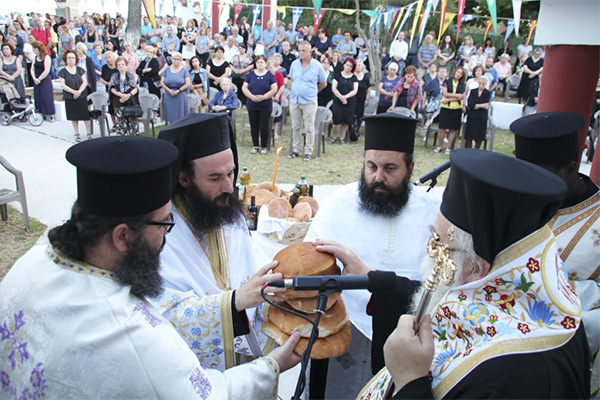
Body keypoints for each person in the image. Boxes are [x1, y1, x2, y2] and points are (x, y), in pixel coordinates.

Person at [0, 135, 300, 398]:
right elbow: (206, 395)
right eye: (165, 223)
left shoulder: (26, 266)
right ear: (122, 236)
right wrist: (273, 365)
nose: (167, 235)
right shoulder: (134, 335)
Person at [356, 148, 589, 399]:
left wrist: (409, 380)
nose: (430, 252)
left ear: (477, 268)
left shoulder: (507, 375)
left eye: (439, 243)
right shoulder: (550, 310)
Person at [304, 112, 440, 399]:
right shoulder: (338, 205)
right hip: (345, 328)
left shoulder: (431, 213)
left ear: (410, 168)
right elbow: (309, 264)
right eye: (371, 166)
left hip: (405, 336)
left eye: (390, 168)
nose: (378, 177)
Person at [152, 113, 290, 371]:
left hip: (246, 364)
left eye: (231, 173)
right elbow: (162, 315)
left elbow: (254, 266)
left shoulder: (228, 212)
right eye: (215, 178)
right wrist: (234, 302)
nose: (229, 187)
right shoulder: (159, 231)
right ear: (184, 178)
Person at [511, 112, 599, 397]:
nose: (528, 184)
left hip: (563, 361)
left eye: (538, 175)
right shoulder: (517, 201)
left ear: (571, 168)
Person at [287, 40, 327, 161]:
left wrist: (313, 92)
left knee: (309, 127)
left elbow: (323, 83)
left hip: (309, 101)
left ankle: (308, 151)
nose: (301, 53)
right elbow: (291, 80)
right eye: (299, 50)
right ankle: (296, 149)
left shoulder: (317, 66)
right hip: (295, 100)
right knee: (296, 126)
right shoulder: (294, 64)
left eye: (304, 50)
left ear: (310, 51)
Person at [243, 55, 277, 154]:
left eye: (262, 62)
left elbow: (274, 89)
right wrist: (251, 96)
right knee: (254, 125)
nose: (260, 64)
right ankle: (255, 145)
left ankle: (264, 146)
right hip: (252, 104)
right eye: (258, 62)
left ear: (265, 64)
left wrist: (264, 97)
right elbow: (244, 87)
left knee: (264, 126)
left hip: (265, 105)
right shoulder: (250, 75)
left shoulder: (269, 75)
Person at [59, 49, 91, 142]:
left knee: (85, 115)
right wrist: (73, 92)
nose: (71, 59)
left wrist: (79, 91)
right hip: (70, 96)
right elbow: (63, 85)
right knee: (74, 116)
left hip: (81, 96)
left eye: (73, 58)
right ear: (66, 59)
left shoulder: (80, 70)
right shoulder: (63, 72)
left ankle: (89, 133)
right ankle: (77, 134)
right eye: (69, 58)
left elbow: (85, 82)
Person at [436, 66, 466, 155]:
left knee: (453, 129)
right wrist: (456, 96)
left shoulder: (463, 85)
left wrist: (449, 99)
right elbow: (445, 93)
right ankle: (440, 146)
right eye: (458, 72)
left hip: (456, 108)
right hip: (446, 108)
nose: (459, 74)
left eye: (461, 73)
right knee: (442, 128)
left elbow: (461, 97)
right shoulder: (447, 82)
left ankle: (449, 148)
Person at [330, 57, 358, 144]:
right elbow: (334, 88)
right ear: (344, 65)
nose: (348, 67)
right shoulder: (337, 75)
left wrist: (346, 97)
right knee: (336, 121)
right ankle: (334, 137)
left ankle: (342, 138)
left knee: (346, 121)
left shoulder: (354, 77)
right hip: (338, 101)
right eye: (347, 65)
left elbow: (355, 90)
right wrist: (341, 97)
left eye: (350, 66)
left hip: (350, 102)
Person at [109, 56, 139, 135]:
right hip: (118, 100)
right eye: (119, 65)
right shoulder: (114, 76)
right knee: (121, 122)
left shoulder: (130, 75)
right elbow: (112, 88)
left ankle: (133, 135)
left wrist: (127, 96)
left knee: (132, 122)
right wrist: (121, 95)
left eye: (122, 64)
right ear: (116, 66)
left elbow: (135, 88)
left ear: (126, 65)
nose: (121, 66)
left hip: (130, 100)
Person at [160, 51, 190, 124]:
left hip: (180, 94)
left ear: (181, 60)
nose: (176, 61)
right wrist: (168, 90)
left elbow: (188, 83)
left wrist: (179, 90)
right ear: (171, 59)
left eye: (178, 59)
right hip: (169, 94)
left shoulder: (184, 71)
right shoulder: (167, 70)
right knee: (171, 115)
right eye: (174, 59)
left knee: (181, 116)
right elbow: (162, 82)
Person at [31, 41, 55, 122]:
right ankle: (40, 113)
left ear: (36, 48)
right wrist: (34, 78)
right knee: (38, 97)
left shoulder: (46, 57)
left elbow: (46, 70)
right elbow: (32, 69)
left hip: (44, 79)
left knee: (47, 97)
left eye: (33, 48)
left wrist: (39, 79)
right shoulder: (35, 57)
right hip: (36, 78)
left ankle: (50, 114)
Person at [464, 76, 490, 149]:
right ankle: (468, 149)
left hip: (481, 117)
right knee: (469, 134)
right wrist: (481, 105)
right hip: (472, 116)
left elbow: (486, 105)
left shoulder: (487, 93)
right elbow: (470, 104)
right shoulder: (473, 91)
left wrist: (476, 106)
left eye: (483, 84)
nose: (481, 85)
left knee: (479, 135)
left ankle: (477, 149)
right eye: (480, 83)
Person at [354, 59, 371, 130]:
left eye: (359, 65)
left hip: (361, 100)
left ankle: (357, 130)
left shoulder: (366, 77)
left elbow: (369, 88)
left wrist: (367, 99)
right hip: (352, 99)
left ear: (362, 67)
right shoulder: (352, 76)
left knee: (359, 115)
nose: (358, 67)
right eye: (357, 65)